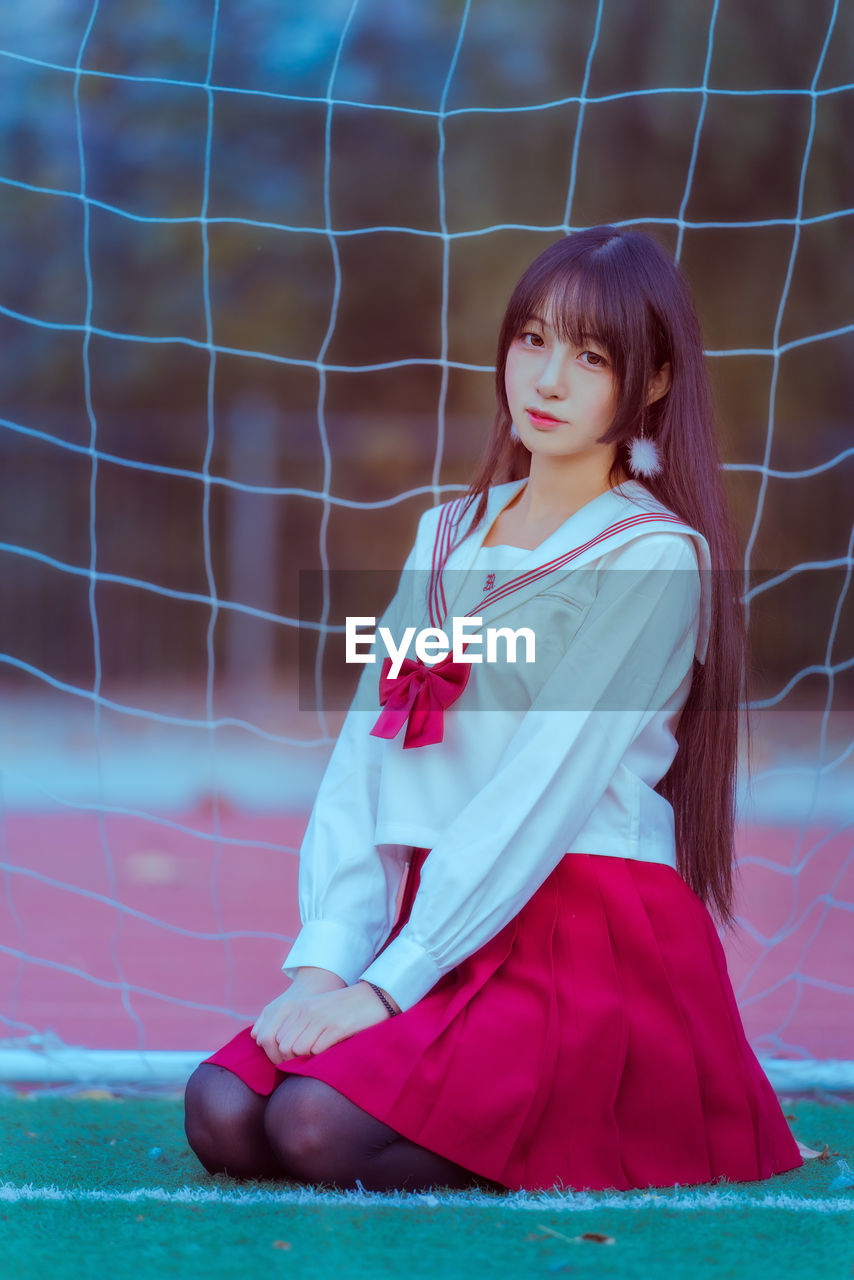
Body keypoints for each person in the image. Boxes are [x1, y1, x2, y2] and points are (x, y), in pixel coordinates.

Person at [184, 226, 803, 1195]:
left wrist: (391, 980)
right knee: (221, 1109)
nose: (546, 379)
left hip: (579, 924)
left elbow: (541, 789)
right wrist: (328, 959)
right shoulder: (444, 531)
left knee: (310, 1124)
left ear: (649, 383)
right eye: (531, 339)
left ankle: (601, 1114)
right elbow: (365, 751)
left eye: (589, 355)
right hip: (435, 904)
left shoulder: (652, 556)